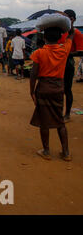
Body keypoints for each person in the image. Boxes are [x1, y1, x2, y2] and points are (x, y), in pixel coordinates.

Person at [30, 26, 74, 161]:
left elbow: (34, 73)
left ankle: (46, 151)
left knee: (44, 121)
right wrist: (68, 23)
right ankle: (66, 152)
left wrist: (32, 91)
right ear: (59, 38)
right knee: (60, 120)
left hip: (43, 88)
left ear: (44, 38)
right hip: (58, 88)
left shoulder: (39, 53)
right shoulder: (64, 50)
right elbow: (71, 35)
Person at [58, 10, 83, 122]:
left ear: (72, 19)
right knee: (58, 89)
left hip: (68, 63)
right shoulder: (61, 32)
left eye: (65, 17)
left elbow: (81, 51)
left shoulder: (76, 33)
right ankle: (58, 112)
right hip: (57, 62)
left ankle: (67, 114)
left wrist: (66, 53)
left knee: (67, 89)